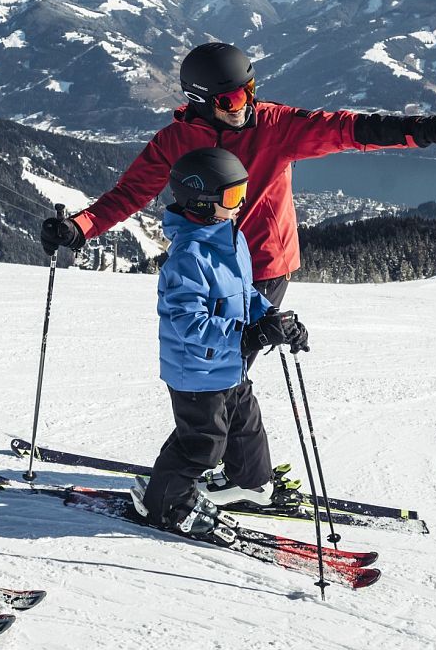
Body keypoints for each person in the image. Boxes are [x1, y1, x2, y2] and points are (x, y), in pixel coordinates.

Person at [41, 41, 436, 315]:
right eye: (233, 97)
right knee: (205, 363)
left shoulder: (276, 125)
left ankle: (232, 460)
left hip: (262, 266)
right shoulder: (174, 141)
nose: (245, 105)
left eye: (249, 92)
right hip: (205, 267)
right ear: (202, 100)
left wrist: (426, 129)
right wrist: (80, 227)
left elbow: (350, 129)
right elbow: (130, 193)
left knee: (228, 365)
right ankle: (227, 455)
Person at [130, 148, 309, 533]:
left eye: (243, 191)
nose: (241, 202)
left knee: (246, 423)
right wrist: (246, 335)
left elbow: (246, 295)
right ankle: (163, 504)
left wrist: (272, 319)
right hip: (196, 372)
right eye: (232, 196)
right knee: (203, 443)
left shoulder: (233, 239)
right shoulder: (188, 258)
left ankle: (250, 482)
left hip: (229, 364)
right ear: (202, 201)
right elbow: (188, 323)